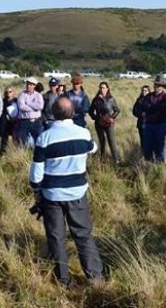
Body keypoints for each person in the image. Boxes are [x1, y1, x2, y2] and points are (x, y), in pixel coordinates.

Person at [29, 97, 103, 286]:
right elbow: (93, 148)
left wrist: (36, 189)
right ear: (72, 113)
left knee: (56, 237)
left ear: (53, 114)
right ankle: (95, 276)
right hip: (78, 194)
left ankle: (62, 279)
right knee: (83, 235)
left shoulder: (44, 137)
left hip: (52, 195)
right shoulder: (83, 133)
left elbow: (36, 173)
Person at [89, 82, 120, 164]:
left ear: (107, 89)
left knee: (111, 141)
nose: (102, 89)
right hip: (99, 124)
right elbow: (90, 111)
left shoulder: (111, 99)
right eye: (100, 88)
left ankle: (116, 160)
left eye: (103, 88)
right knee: (102, 142)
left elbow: (117, 110)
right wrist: (95, 118)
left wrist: (111, 117)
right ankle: (102, 160)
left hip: (109, 124)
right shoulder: (96, 100)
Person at [141, 76, 166, 162]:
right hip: (149, 124)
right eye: (155, 84)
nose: (156, 86)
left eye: (158, 85)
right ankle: (148, 165)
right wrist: (152, 108)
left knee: (160, 146)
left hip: (160, 124)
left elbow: (162, 109)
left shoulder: (165, 97)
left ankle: (159, 167)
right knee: (148, 146)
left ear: (162, 86)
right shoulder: (149, 96)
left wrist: (150, 109)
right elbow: (144, 106)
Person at [17, 77, 44, 147]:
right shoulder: (21, 95)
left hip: (36, 122)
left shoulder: (38, 95)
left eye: (30, 84)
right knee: (22, 141)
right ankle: (23, 156)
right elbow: (21, 106)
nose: (28, 86)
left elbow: (40, 106)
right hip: (24, 121)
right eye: (27, 84)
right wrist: (34, 109)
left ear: (34, 85)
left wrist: (28, 103)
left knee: (38, 140)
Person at [0, 85, 18, 155]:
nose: (8, 93)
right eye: (6, 92)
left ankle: (15, 153)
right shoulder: (2, 101)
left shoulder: (17, 100)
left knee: (15, 138)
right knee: (4, 138)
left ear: (13, 92)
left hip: (14, 122)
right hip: (5, 123)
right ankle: (2, 152)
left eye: (10, 91)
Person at [131, 85, 150, 156]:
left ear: (149, 91)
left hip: (150, 123)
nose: (144, 92)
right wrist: (141, 113)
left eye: (146, 91)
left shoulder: (152, 99)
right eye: (143, 90)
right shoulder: (139, 100)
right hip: (141, 123)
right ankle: (143, 155)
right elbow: (134, 111)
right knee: (142, 140)